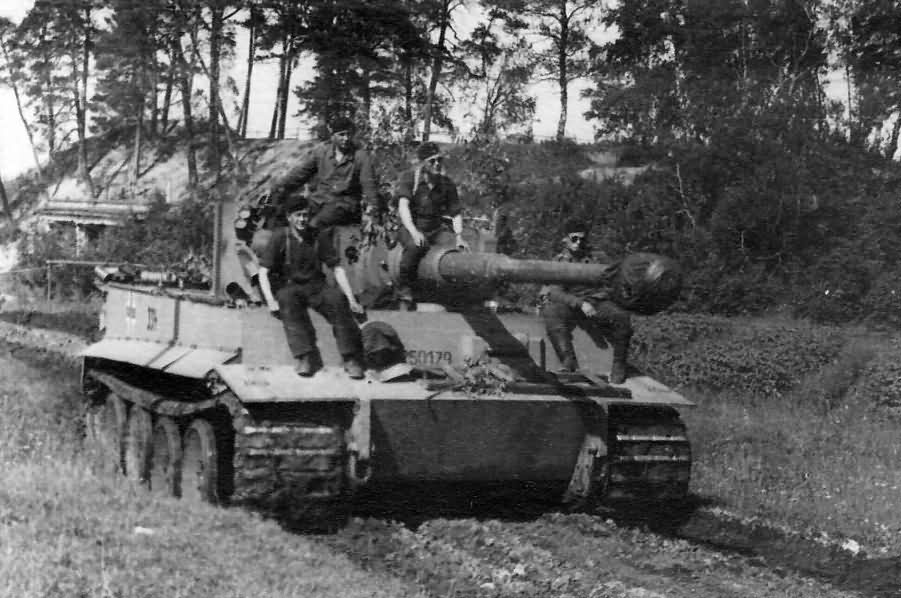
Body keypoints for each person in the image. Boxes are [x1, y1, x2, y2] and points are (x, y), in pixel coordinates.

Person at [257, 195, 366, 379]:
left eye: (305, 215)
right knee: (286, 299)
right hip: (291, 286)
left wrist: (351, 299)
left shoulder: (318, 236)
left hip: (317, 286)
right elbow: (263, 272)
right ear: (290, 217)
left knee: (337, 300)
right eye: (298, 215)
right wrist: (270, 301)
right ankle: (304, 357)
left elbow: (337, 268)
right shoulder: (280, 237)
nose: (302, 220)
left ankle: (350, 358)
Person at [539, 220, 633, 384]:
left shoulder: (596, 259)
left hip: (594, 302)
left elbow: (609, 286)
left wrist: (593, 299)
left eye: (582, 239)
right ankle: (568, 361)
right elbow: (555, 292)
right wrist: (579, 303)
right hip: (571, 304)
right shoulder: (559, 261)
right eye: (574, 239)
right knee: (551, 311)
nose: (579, 243)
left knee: (622, 317)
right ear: (565, 239)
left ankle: (619, 366)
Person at [269, 115, 378, 234]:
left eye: (349, 134)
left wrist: (373, 213)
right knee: (288, 213)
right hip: (318, 200)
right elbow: (300, 174)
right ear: (333, 136)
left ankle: (309, 248)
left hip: (344, 204)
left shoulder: (361, 156)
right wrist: (277, 186)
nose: (346, 138)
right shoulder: (321, 153)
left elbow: (369, 185)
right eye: (341, 134)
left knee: (314, 224)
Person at [394, 142, 467, 308]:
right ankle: (405, 292)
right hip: (410, 226)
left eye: (439, 160)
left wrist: (459, 237)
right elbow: (403, 207)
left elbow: (455, 213)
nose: (437, 164)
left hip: (435, 227)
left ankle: (453, 296)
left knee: (458, 250)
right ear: (422, 163)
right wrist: (413, 232)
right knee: (414, 247)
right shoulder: (410, 179)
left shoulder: (446, 184)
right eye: (432, 161)